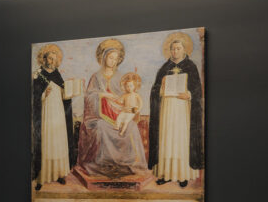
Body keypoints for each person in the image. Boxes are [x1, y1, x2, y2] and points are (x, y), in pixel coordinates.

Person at [76, 39, 150, 179]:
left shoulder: (121, 77)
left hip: (119, 113)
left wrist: (127, 106)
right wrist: (103, 95)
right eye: (110, 58)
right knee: (100, 128)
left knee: (132, 127)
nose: (113, 61)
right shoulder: (96, 77)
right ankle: (102, 165)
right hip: (99, 116)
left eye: (116, 59)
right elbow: (89, 97)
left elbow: (127, 96)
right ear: (104, 58)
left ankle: (127, 164)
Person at [149, 32, 204, 187]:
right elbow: (155, 90)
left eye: (178, 49)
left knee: (180, 141)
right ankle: (165, 174)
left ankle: (182, 175)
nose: (175, 52)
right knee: (166, 141)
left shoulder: (190, 66)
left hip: (182, 110)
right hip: (166, 110)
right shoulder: (164, 68)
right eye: (173, 49)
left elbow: (197, 90)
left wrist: (189, 94)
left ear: (184, 50)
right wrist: (161, 89)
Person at [32, 44, 76, 190]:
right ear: (44, 58)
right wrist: (45, 94)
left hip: (58, 114)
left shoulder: (57, 74)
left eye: (54, 58)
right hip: (46, 113)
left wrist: (70, 92)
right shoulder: (39, 74)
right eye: (49, 58)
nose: (51, 61)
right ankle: (43, 177)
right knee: (47, 142)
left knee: (58, 141)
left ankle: (59, 174)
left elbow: (64, 95)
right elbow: (35, 97)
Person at [115, 72, 143, 136]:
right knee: (119, 118)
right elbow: (120, 101)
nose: (129, 87)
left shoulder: (136, 95)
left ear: (134, 86)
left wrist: (138, 109)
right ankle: (117, 127)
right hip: (125, 110)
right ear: (125, 87)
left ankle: (122, 132)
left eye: (130, 86)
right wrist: (117, 100)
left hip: (132, 111)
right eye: (127, 86)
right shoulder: (125, 95)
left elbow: (140, 103)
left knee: (126, 121)